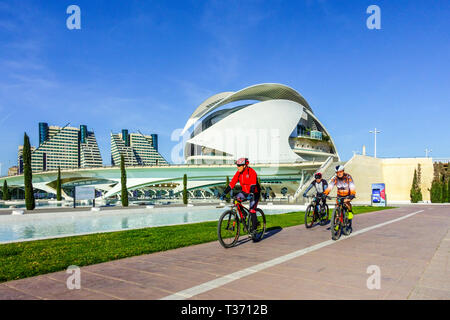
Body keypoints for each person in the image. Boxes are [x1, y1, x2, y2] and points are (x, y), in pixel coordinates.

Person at [221, 158, 260, 233]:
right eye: (237, 165)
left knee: (252, 210)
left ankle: (254, 230)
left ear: (245, 165)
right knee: (236, 200)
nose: (237, 167)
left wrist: (251, 194)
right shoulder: (238, 173)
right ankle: (244, 214)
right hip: (245, 192)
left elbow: (253, 185)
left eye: (239, 165)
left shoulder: (252, 172)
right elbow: (232, 184)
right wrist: (224, 193)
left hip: (254, 192)